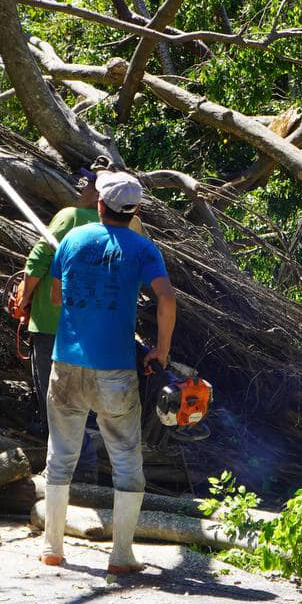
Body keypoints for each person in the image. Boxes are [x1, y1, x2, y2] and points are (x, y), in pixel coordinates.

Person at [41, 169, 175, 574]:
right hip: (115, 371)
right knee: (126, 459)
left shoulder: (72, 240)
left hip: (66, 364)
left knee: (60, 455)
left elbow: (54, 294)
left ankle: (52, 548)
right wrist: (161, 352)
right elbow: (166, 300)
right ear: (135, 209)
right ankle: (121, 556)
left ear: (100, 204)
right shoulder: (142, 249)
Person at [17, 157, 145, 477]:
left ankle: (76, 470)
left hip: (52, 324)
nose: (83, 184)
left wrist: (23, 299)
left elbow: (39, 260)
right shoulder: (130, 230)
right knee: (86, 404)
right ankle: (84, 468)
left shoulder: (70, 218)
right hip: (95, 332)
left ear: (100, 193)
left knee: (57, 402)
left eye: (89, 181)